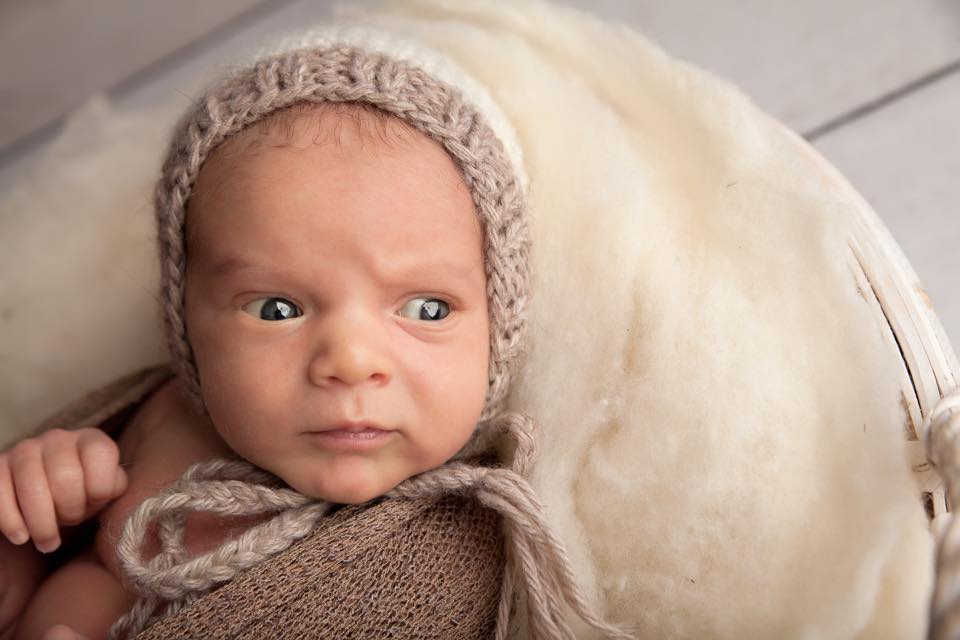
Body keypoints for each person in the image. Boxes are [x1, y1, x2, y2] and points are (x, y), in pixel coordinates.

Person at [0, 30, 634, 640]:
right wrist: (41, 502)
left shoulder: (455, 544)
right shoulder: (160, 421)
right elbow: (45, 543)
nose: (351, 362)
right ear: (186, 319)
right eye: (277, 309)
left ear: (498, 325)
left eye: (427, 309)